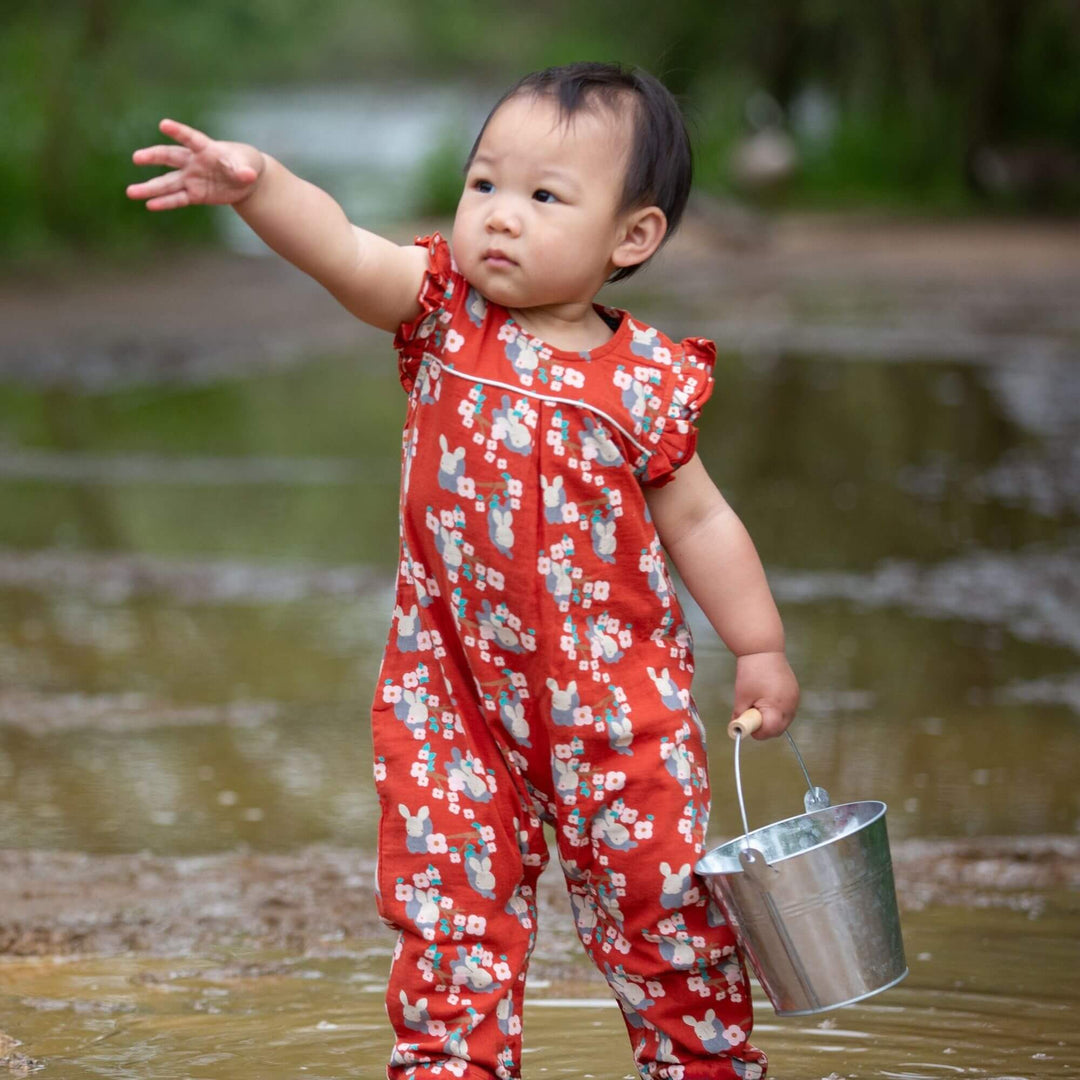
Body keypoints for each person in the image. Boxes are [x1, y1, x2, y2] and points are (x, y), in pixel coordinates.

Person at [127, 61, 798, 1080]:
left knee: (663, 911)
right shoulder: (443, 309)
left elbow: (700, 516)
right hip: (449, 698)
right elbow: (348, 253)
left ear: (633, 238)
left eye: (543, 198)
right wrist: (262, 187)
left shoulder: (646, 384)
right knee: (448, 913)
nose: (499, 218)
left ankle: (701, 1067)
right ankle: (450, 1067)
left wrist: (759, 644)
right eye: (483, 184)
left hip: (616, 716)